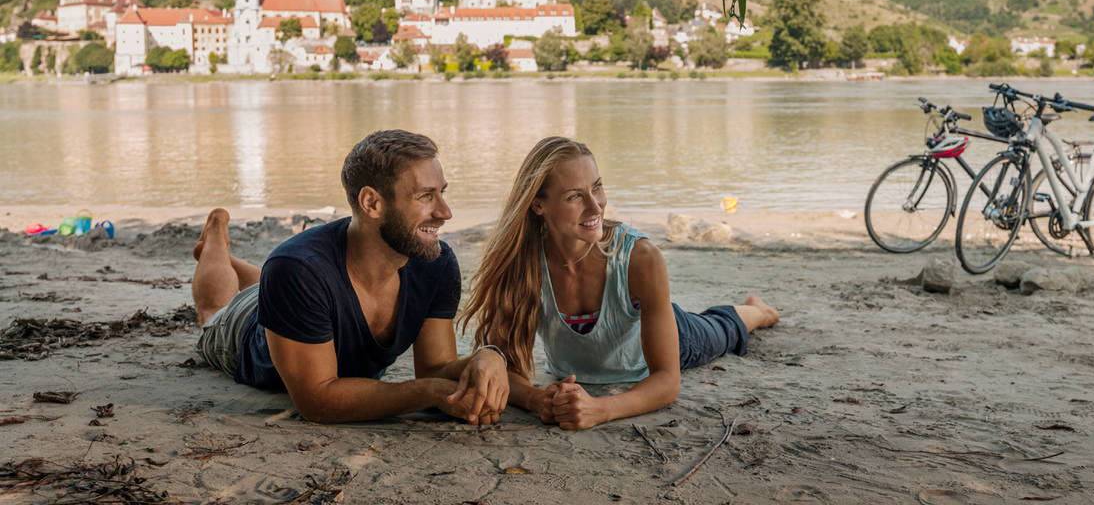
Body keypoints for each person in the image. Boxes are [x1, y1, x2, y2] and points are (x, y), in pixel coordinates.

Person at [459, 136, 779, 430]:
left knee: (722, 327)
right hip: (620, 337)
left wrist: (601, 409)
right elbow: (506, 363)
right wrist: (535, 399)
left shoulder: (640, 257)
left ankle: (758, 312)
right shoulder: (523, 263)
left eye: (597, 187)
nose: (596, 205)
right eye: (575, 196)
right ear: (538, 205)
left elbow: (668, 382)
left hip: (671, 336)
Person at [190, 129, 508, 424]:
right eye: (426, 196)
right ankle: (215, 240)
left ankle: (241, 267)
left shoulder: (435, 263)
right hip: (244, 327)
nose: (445, 212)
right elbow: (317, 400)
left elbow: (436, 368)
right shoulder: (296, 271)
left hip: (299, 290)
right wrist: (429, 393)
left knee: (286, 279)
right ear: (371, 203)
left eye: (442, 193)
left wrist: (489, 357)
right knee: (213, 310)